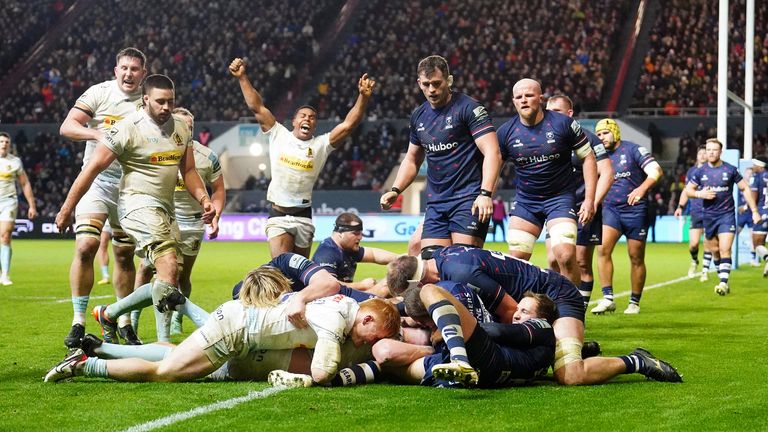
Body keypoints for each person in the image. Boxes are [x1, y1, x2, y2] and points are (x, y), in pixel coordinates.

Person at [55, 74, 216, 344]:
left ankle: (110, 314)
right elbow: (91, 169)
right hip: (135, 205)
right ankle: (165, 344)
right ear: (145, 100)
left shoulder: (182, 128)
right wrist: (66, 208)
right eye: (160, 101)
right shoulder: (127, 128)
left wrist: (204, 199)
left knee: (170, 274)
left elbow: (187, 170)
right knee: (166, 265)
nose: (166, 107)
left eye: (170, 101)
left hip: (165, 209)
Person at [44, 267, 401, 384]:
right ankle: (85, 364)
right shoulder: (338, 318)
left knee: (171, 357)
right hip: (235, 331)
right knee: (163, 372)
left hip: (240, 326)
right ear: (367, 318)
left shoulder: (349, 306)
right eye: (375, 337)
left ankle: (96, 351)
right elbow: (323, 373)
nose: (372, 344)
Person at [386, 245, 683, 386]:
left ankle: (636, 361)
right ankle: (569, 346)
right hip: (529, 301)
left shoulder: (460, 272)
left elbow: (512, 311)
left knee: (570, 374)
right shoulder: (434, 256)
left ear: (422, 283)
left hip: (554, 296)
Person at [229, 58, 375, 259]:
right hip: (280, 216)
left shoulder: (321, 144)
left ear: (314, 125)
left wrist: (363, 97)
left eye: (312, 117)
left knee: (300, 276)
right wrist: (242, 77)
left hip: (304, 217)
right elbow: (257, 107)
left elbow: (349, 125)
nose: (307, 118)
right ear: (294, 121)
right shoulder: (278, 134)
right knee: (283, 269)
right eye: (303, 115)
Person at [58, 47, 147, 348]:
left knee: (123, 254)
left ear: (143, 74)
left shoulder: (148, 102)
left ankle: (122, 320)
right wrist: (97, 135)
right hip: (96, 181)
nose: (129, 74)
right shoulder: (100, 93)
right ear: (115, 70)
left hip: (131, 187)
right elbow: (68, 126)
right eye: (124, 68)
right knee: (86, 245)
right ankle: (78, 320)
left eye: (135, 69)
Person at [380, 55, 501, 254]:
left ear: (449, 80)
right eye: (426, 84)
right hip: (436, 203)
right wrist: (396, 189)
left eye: (437, 83)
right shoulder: (418, 116)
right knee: (430, 264)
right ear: (419, 83)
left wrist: (486, 194)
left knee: (463, 265)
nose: (432, 90)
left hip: (468, 199)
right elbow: (412, 158)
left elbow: (492, 152)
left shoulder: (470, 108)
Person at [133, 107, 225, 335]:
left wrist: (215, 213)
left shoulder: (207, 156)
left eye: (190, 127)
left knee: (182, 277)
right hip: (162, 219)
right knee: (145, 269)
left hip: (193, 223)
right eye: (182, 125)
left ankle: (176, 318)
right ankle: (131, 320)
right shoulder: (156, 150)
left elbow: (220, 190)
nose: (187, 130)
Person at [497, 81, 598, 288]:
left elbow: (588, 158)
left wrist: (589, 199)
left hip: (559, 199)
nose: (524, 100)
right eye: (519, 97)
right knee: (515, 259)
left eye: (529, 95)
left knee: (566, 256)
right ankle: (517, 313)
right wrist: (484, 194)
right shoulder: (506, 131)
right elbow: (493, 165)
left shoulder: (564, 124)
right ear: (513, 102)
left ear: (540, 99)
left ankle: (573, 312)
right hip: (526, 201)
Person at [543, 95, 614, 307]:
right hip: (557, 207)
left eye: (556, 111)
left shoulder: (588, 138)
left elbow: (607, 173)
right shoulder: (545, 139)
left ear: (569, 114)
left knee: (581, 262)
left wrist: (592, 202)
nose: (550, 115)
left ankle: (575, 310)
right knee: (553, 260)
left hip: (584, 206)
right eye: (548, 111)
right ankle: (561, 302)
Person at [592, 119, 664, 315]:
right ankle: (608, 298)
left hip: (635, 210)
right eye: (598, 134)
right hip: (610, 210)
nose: (601, 138)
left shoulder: (634, 150)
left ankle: (634, 302)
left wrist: (641, 189)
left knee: (636, 257)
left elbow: (656, 171)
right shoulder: (598, 156)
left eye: (605, 133)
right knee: (603, 249)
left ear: (615, 133)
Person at [684, 138, 760, 295]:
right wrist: (700, 193)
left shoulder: (730, 170)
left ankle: (723, 283)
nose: (711, 152)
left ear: (720, 152)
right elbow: (688, 190)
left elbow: (745, 189)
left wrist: (754, 210)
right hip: (708, 216)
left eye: (714, 150)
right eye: (709, 150)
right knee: (715, 250)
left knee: (725, 248)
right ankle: (722, 277)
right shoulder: (700, 171)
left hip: (726, 215)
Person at [312, 212, 397, 296]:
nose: (360, 237)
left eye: (360, 233)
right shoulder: (327, 253)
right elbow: (328, 286)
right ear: (341, 233)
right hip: (330, 301)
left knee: (388, 286)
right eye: (355, 233)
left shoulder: (348, 248)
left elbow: (373, 254)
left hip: (342, 296)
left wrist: (400, 258)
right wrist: (361, 285)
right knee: (384, 289)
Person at [0, 132, 37, 285]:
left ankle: (5, 275)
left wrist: (32, 205)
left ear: (9, 144)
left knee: (5, 235)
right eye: (1, 141)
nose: (3, 144)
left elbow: (25, 183)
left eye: (6, 142)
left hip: (9, 201)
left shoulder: (15, 162)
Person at [674, 146, 709, 279]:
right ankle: (694, 261)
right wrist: (680, 207)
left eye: (705, 153)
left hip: (710, 211)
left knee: (708, 242)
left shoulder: (712, 171)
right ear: (697, 156)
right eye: (700, 153)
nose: (702, 155)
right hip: (696, 211)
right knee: (693, 244)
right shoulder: (692, 171)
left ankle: (705, 271)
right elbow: (685, 191)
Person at [749, 156, 768, 276]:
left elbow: (753, 196)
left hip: (762, 212)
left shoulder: (757, 177)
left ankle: (767, 259)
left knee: (757, 244)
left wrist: (750, 209)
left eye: (754, 164)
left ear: (760, 166)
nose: (752, 167)